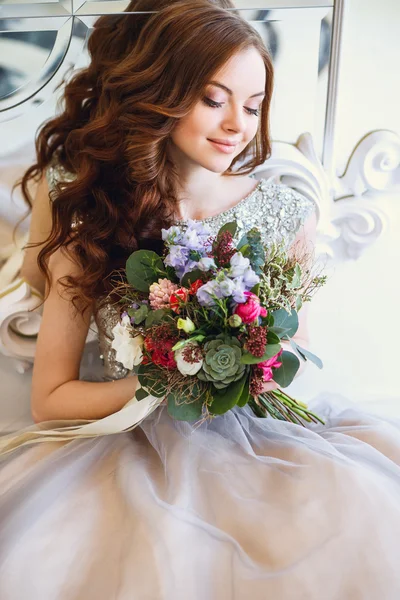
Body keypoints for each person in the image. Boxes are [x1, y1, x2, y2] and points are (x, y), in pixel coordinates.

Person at [1, 2, 400, 599]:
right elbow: (51, 400)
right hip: (122, 443)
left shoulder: (284, 213)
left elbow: (296, 359)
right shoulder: (94, 220)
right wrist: (165, 384)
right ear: (160, 92)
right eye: (215, 99)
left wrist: (244, 366)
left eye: (254, 105)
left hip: (263, 439)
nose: (238, 124)